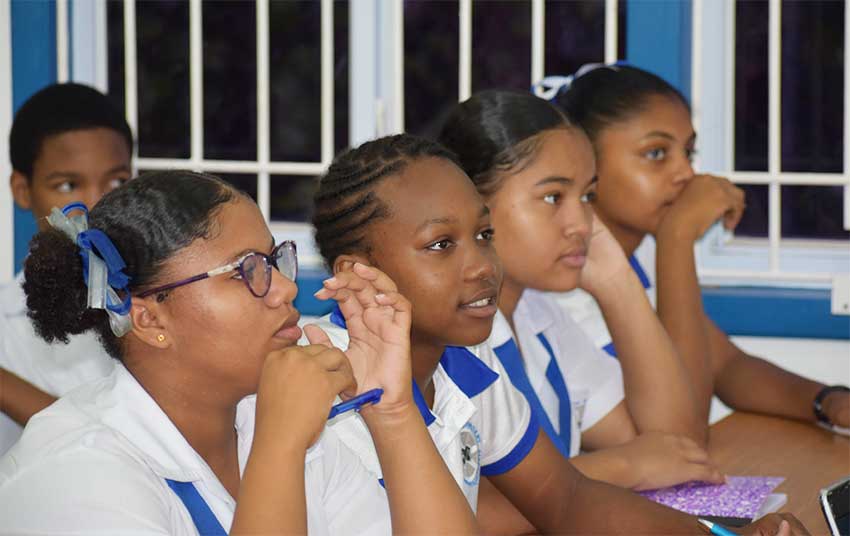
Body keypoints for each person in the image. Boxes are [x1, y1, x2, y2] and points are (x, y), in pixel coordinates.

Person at [309, 133, 806, 535]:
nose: (482, 266)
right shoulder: (321, 395)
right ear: (358, 275)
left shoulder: (463, 362)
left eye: (484, 236)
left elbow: (567, 500)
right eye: (441, 244)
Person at [0, 170, 478, 534]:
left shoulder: (256, 419)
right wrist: (280, 445)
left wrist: (392, 410)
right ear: (149, 320)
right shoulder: (75, 474)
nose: (286, 288)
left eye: (274, 260)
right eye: (244, 271)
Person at [437, 89, 716, 493]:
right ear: (472, 203)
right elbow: (470, 500)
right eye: (553, 197)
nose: (582, 224)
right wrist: (620, 467)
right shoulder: (444, 335)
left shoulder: (538, 313)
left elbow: (679, 446)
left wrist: (617, 283)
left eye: (587, 196)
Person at [547, 63, 850, 434]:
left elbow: (724, 364)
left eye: (688, 153)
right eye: (656, 153)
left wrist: (828, 401)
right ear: (585, 165)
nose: (685, 174)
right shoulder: (560, 285)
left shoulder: (640, 251)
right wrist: (677, 238)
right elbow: (684, 430)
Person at [1, 82, 133, 454]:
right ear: (22, 189)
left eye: (117, 181)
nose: (95, 204)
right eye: (67, 184)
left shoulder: (164, 297)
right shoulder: (5, 327)